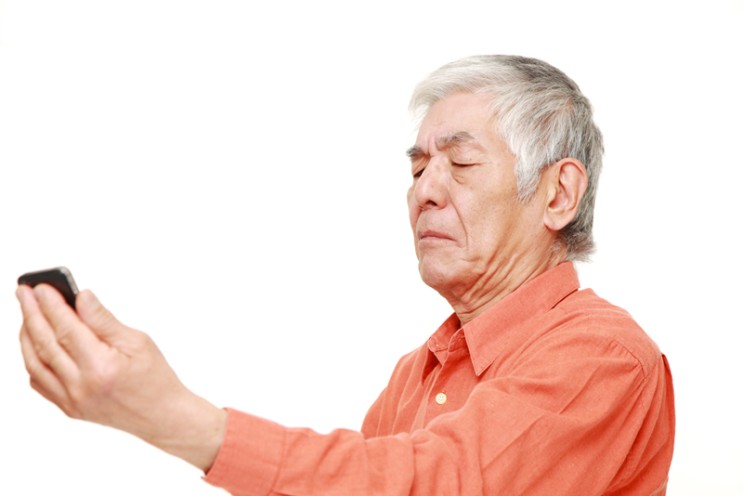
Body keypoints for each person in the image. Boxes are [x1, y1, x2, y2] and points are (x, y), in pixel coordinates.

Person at [17, 55, 675, 495]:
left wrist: (179, 420)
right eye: (417, 168)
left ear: (558, 194)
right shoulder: (415, 371)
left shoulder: (602, 354)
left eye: (460, 165)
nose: (424, 191)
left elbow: (440, 484)